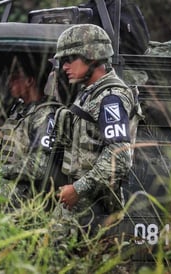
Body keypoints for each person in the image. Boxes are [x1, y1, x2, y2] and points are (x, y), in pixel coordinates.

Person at [50, 24, 144, 241]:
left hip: (92, 205)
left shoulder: (110, 98)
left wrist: (78, 189)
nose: (64, 66)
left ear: (92, 57)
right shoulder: (89, 94)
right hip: (80, 203)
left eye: (70, 59)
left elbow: (119, 157)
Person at [0, 57, 61, 211]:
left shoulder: (44, 114)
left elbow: (38, 166)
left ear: (29, 81)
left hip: (28, 193)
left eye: (15, 77)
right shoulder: (21, 109)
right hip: (10, 183)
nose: (10, 82)